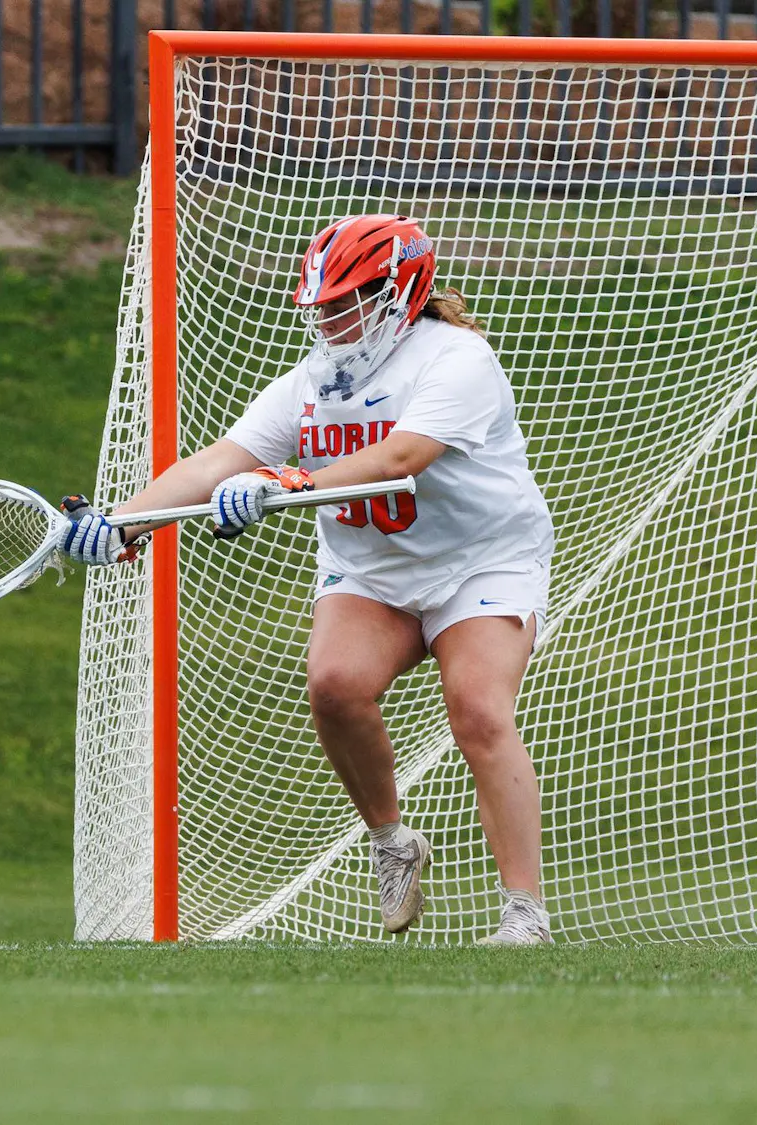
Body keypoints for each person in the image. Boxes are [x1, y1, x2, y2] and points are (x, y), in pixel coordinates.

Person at [61, 214, 554, 944]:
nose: (326, 316)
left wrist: (291, 479)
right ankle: (393, 842)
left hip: (481, 558)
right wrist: (123, 521)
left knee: (478, 709)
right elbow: (215, 462)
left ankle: (524, 914)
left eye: (344, 299)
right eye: (320, 302)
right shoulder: (313, 381)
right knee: (334, 684)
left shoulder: (456, 359)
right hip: (372, 568)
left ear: (398, 294)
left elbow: (400, 459)